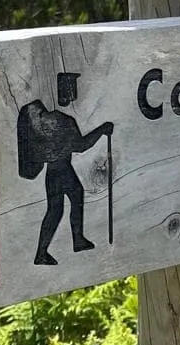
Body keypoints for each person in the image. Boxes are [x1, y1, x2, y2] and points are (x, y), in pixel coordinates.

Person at [17, 72, 112, 265]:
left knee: (66, 204)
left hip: (55, 173)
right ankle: (46, 251)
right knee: (58, 209)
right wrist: (101, 131)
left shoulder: (46, 122)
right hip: (61, 171)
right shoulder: (60, 121)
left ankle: (72, 241)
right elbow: (81, 145)